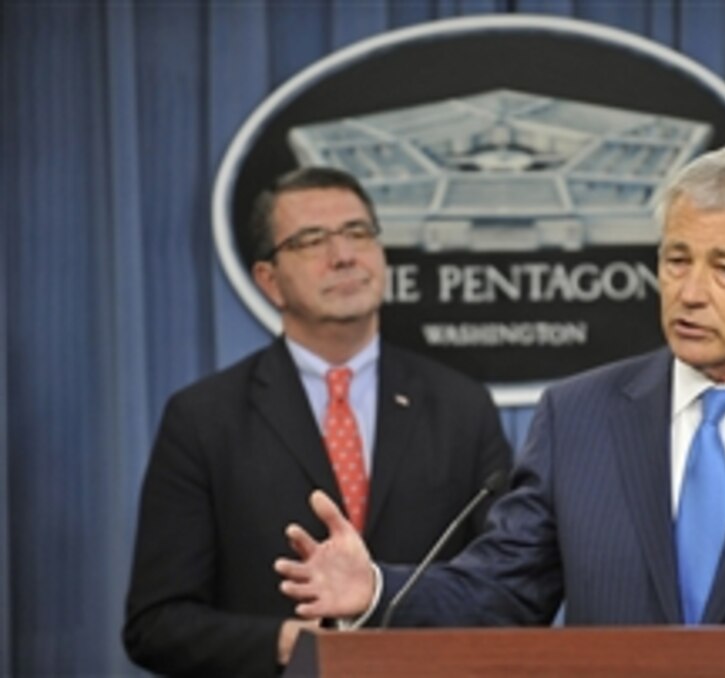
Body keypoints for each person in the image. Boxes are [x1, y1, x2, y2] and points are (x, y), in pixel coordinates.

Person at [274, 145, 725, 628]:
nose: (690, 292)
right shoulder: (578, 418)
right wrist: (377, 589)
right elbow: (504, 591)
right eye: (676, 260)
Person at [123, 167, 512, 676]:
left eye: (357, 233)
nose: (344, 256)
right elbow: (156, 624)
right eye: (312, 240)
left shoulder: (462, 407)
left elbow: (505, 591)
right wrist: (284, 643)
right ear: (269, 280)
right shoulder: (203, 419)